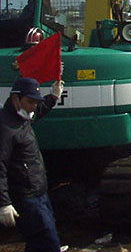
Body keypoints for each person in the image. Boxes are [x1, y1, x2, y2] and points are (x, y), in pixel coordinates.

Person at [0, 77, 64, 252]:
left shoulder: (23, 117)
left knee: (40, 242)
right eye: (30, 102)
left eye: (36, 102)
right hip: (26, 196)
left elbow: (38, 112)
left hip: (39, 192)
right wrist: (4, 203)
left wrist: (53, 97)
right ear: (15, 99)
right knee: (48, 242)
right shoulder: (6, 127)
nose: (34, 106)